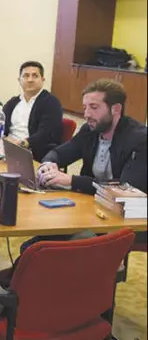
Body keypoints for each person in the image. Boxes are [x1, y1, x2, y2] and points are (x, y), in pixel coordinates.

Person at [22, 79, 147, 252]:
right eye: (85, 107)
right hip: (93, 207)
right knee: (33, 247)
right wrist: (50, 163)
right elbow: (60, 152)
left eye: (94, 107)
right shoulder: (90, 130)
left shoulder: (139, 139)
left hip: (128, 216)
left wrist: (71, 180)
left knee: (56, 249)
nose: (86, 114)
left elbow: (125, 189)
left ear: (115, 109)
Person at [2, 61, 64, 161]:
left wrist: (22, 143)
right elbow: (0, 125)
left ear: (42, 79)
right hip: (7, 148)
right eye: (26, 76)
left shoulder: (51, 102)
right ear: (19, 80)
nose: (30, 80)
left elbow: (46, 134)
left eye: (35, 76)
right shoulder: (13, 102)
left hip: (32, 151)